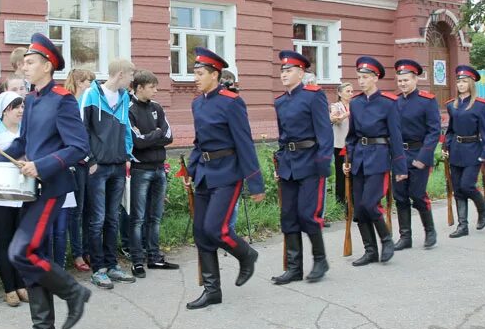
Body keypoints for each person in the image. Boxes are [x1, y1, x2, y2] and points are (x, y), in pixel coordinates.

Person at [0, 33, 91, 329]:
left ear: (48, 66)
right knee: (29, 255)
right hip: (29, 189)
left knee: (22, 252)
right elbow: (23, 143)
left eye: (31, 62)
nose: (25, 66)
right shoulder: (32, 100)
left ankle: (73, 292)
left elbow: (79, 147)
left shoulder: (62, 99)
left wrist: (42, 165)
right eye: (23, 62)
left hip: (52, 188)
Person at [184, 48, 265, 309]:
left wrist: (255, 183)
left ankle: (247, 254)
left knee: (216, 229)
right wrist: (191, 171)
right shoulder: (197, 103)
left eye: (199, 74)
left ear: (214, 75)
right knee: (200, 232)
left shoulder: (232, 102)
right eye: (194, 73)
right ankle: (212, 291)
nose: (194, 78)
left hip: (228, 173)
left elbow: (245, 143)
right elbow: (199, 143)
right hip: (205, 174)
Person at [270, 51, 334, 285]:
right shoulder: (280, 101)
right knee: (288, 216)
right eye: (282, 71)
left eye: (289, 71)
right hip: (288, 163)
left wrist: (323, 161)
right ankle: (294, 268)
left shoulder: (313, 96)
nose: (284, 74)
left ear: (301, 73)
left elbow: (324, 132)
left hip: (310, 162)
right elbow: (282, 135)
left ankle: (320, 260)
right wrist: (279, 158)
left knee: (308, 215)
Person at [343, 57, 408, 266]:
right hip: (360, 157)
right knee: (359, 208)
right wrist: (348, 158)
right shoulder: (356, 102)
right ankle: (370, 250)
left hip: (379, 156)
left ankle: (386, 240)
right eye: (359, 77)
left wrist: (400, 166)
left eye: (364, 77)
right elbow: (351, 135)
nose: (360, 81)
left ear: (375, 78)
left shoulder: (388, 103)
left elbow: (396, 136)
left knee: (370, 204)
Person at [80, 58, 137, 289]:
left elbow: (126, 131)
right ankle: (98, 268)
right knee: (97, 219)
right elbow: (81, 129)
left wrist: (128, 156)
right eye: (131, 75)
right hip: (97, 167)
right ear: (121, 74)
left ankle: (112, 266)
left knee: (113, 218)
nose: (133, 80)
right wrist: (90, 160)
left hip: (117, 165)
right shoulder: (91, 95)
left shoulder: (125, 98)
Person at [127, 69, 177, 277]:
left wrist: (153, 136)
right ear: (139, 88)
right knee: (138, 218)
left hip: (159, 168)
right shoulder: (129, 109)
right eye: (152, 87)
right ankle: (137, 260)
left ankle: (154, 257)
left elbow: (169, 136)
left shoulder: (157, 108)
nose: (156, 91)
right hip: (140, 170)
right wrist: (156, 134)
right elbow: (136, 141)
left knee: (155, 217)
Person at [0, 90, 29, 307]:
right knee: (4, 239)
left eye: (22, 106)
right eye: (16, 107)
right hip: (0, 195)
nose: (21, 110)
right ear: (4, 110)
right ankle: (9, 287)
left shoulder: (26, 131)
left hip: (23, 193)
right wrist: (9, 158)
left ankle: (21, 283)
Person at [392, 60, 442, 250]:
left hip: (418, 152)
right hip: (399, 155)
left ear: (415, 79)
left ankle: (430, 231)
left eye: (406, 80)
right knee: (400, 196)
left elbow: (434, 131)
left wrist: (424, 157)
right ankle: (405, 237)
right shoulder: (394, 102)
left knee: (417, 194)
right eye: (400, 80)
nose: (402, 84)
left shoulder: (426, 101)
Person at [444, 65, 485, 237]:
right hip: (456, 150)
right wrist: (446, 146)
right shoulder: (452, 105)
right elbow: (450, 130)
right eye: (458, 81)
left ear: (471, 84)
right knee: (457, 189)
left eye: (464, 81)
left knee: (467, 186)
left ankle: (483, 209)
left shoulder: (481, 105)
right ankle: (462, 225)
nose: (461, 84)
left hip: (474, 150)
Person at [64, 69, 94, 272]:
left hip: (87, 162)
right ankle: (77, 253)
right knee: (75, 211)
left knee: (87, 210)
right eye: (88, 82)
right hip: (74, 163)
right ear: (79, 82)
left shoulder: (85, 104)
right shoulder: (69, 104)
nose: (90, 87)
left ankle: (86, 249)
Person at [330, 82, 353, 206]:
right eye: (347, 91)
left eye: (351, 91)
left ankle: (352, 200)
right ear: (339, 93)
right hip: (340, 145)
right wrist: (347, 113)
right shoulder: (336, 106)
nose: (350, 94)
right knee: (340, 173)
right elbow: (334, 119)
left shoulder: (355, 105)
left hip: (353, 145)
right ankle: (340, 202)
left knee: (353, 172)